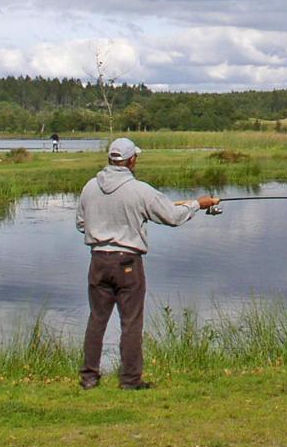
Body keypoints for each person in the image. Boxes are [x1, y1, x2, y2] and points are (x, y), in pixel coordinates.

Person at [76, 137, 219, 390]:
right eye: (136, 157)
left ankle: (89, 378)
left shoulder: (89, 187)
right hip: (127, 263)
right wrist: (199, 204)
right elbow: (173, 217)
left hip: (97, 260)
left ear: (111, 158)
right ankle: (130, 380)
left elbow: (80, 224)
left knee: (97, 320)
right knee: (130, 322)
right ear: (131, 160)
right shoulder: (140, 190)